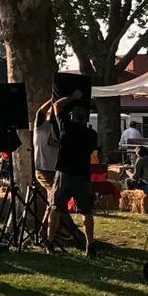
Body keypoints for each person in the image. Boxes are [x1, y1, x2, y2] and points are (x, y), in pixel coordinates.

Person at [50, 92, 99, 255]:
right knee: (87, 212)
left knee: (56, 208)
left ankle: (49, 242)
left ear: (71, 117)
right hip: (82, 176)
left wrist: (72, 96)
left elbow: (56, 106)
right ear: (85, 119)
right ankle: (90, 245)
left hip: (64, 174)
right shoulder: (92, 135)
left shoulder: (65, 128)